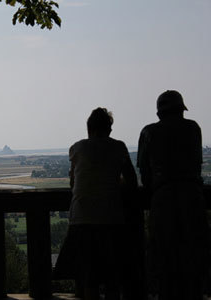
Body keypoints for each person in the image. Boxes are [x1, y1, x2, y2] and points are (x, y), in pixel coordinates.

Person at [54, 108, 137, 300]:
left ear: (89, 129)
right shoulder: (119, 147)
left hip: (82, 219)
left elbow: (73, 183)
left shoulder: (77, 148)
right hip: (111, 219)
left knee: (88, 278)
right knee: (112, 279)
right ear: (109, 129)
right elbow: (131, 181)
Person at [137, 90, 210, 300]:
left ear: (159, 113)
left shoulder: (149, 132)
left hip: (163, 198)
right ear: (181, 110)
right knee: (194, 253)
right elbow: (196, 163)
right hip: (193, 196)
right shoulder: (193, 128)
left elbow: (145, 171)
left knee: (164, 255)